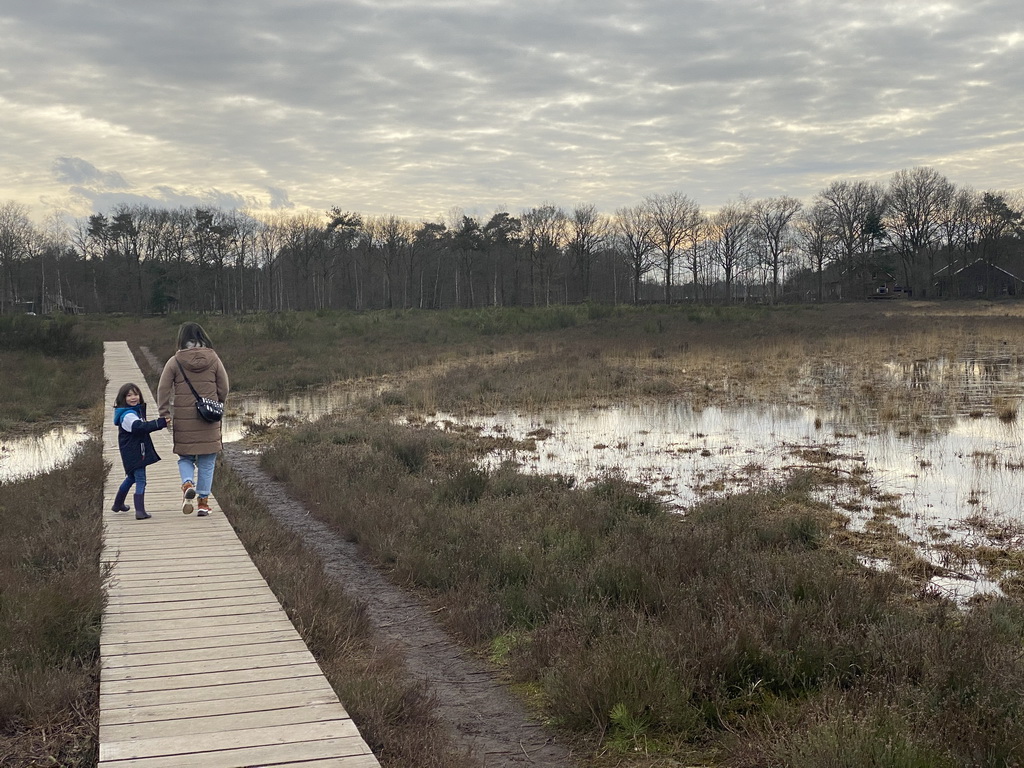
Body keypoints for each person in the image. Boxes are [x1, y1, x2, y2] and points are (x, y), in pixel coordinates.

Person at [157, 321, 230, 517]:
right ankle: (203, 504)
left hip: (184, 418)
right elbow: (224, 387)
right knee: (207, 460)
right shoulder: (213, 358)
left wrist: (164, 413)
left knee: (185, 456)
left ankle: (187, 482)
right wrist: (217, 404)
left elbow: (163, 389)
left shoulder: (175, 361)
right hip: (209, 418)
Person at [112, 383, 169, 520]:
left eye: (136, 394)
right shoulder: (128, 415)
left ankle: (118, 504)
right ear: (123, 398)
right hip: (135, 452)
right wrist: (159, 423)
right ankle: (140, 511)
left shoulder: (133, 411)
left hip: (131, 451)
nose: (133, 398)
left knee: (132, 477)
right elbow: (139, 427)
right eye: (129, 395)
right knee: (141, 479)